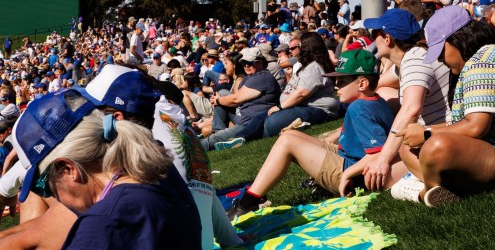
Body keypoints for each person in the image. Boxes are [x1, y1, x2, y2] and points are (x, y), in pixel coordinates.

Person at [393, 6, 495, 206]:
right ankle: (437, 189)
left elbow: (476, 127)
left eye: (440, 51)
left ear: (457, 39)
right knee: (408, 148)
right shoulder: (479, 60)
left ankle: (421, 192)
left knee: (435, 146)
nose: (440, 59)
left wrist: (426, 132)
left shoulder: (484, 62)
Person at [12, 90, 202, 249]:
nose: (56, 198)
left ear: (68, 168)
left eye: (45, 186)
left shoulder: (102, 225)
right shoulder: (162, 174)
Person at [226, 50, 402, 219]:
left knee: (287, 141)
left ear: (362, 83)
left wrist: (348, 175)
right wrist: (327, 140)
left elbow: (378, 154)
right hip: (351, 161)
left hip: (354, 176)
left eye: (342, 81)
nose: (336, 86)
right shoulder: (376, 100)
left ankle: (247, 203)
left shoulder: (359, 107)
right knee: (291, 135)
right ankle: (253, 198)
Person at [361, 9, 451, 192]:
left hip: (439, 136)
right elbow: (378, 85)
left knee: (378, 179)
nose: (372, 39)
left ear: (387, 38)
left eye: (374, 34)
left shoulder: (414, 59)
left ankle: (440, 186)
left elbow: (411, 108)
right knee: (386, 94)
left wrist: (383, 159)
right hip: (435, 133)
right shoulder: (410, 58)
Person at [263, 32, 340, 138]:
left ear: (308, 46)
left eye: (299, 45)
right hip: (302, 105)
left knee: (271, 122)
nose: (297, 49)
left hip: (316, 109)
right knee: (260, 117)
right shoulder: (307, 64)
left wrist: (280, 107)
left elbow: (302, 93)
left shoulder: (314, 67)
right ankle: (242, 137)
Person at [202, 48, 281, 149]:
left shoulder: (261, 77)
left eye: (250, 62)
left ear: (260, 62)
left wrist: (217, 100)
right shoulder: (251, 77)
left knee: (208, 142)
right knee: (222, 93)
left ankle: (195, 150)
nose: (246, 66)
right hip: (242, 117)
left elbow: (236, 100)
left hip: (250, 124)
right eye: (243, 63)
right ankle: (219, 132)